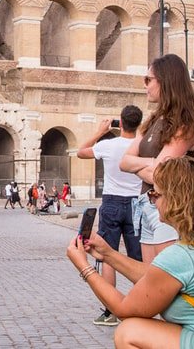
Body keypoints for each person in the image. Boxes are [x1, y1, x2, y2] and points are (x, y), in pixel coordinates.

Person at [67, 156, 194, 349]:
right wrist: (108, 254)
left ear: (175, 200)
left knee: (128, 332)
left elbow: (124, 309)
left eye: (155, 195)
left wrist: (85, 267)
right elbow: (157, 277)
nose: (152, 202)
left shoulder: (183, 256)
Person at [120, 53, 194, 265]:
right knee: (149, 276)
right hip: (146, 203)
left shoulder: (185, 122)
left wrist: (148, 166)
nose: (145, 85)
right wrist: (151, 163)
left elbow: (160, 174)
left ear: (166, 81)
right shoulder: (154, 119)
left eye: (148, 80)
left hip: (170, 206)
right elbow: (124, 161)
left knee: (166, 275)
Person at [77, 104, 145, 327]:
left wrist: (100, 131)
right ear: (138, 123)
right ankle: (144, 307)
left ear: (121, 123)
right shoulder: (142, 145)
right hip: (137, 203)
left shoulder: (108, 144)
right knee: (139, 258)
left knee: (107, 255)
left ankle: (110, 311)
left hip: (112, 202)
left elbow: (80, 151)